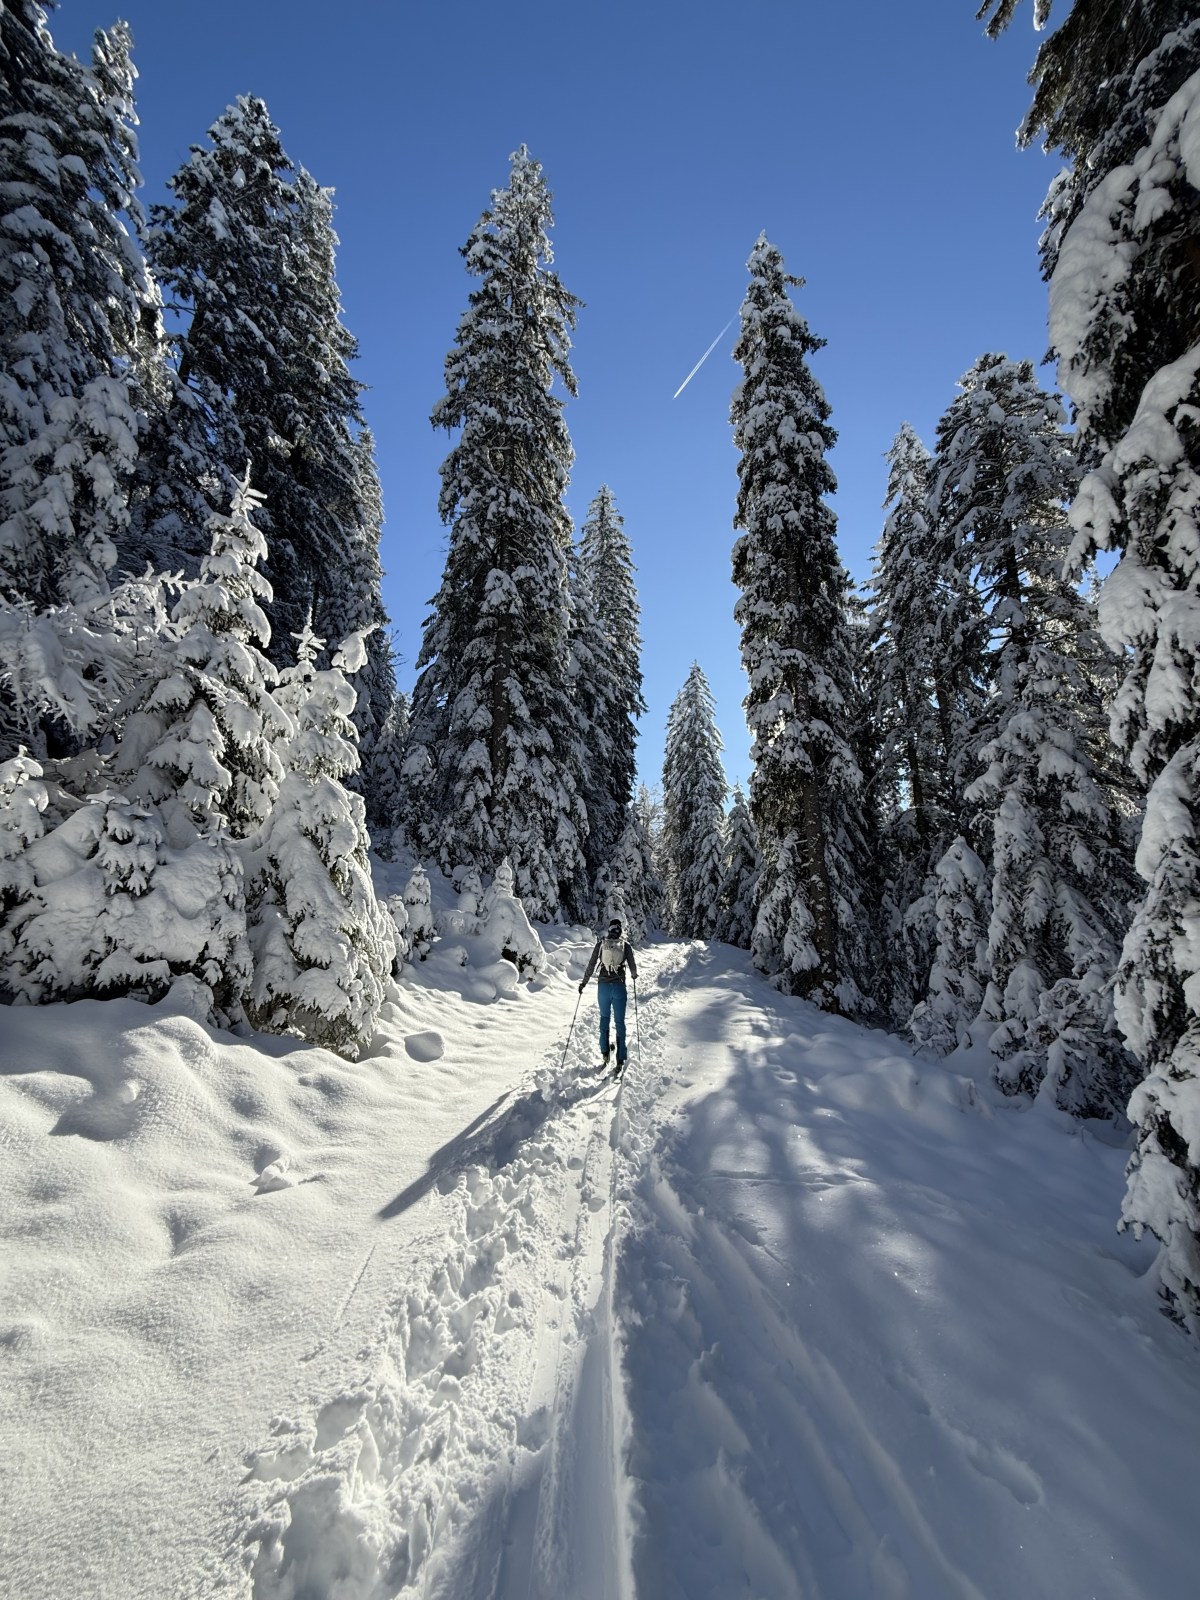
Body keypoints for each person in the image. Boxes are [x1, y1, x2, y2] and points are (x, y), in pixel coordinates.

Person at [579, 917, 638, 1073]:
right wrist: (633, 976)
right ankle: (620, 1058)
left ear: (609, 929)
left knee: (604, 1018)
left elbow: (591, 966)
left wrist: (584, 983)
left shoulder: (601, 945)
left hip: (603, 988)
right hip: (619, 988)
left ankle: (605, 1053)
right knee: (619, 1022)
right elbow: (633, 969)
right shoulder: (625, 946)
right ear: (620, 930)